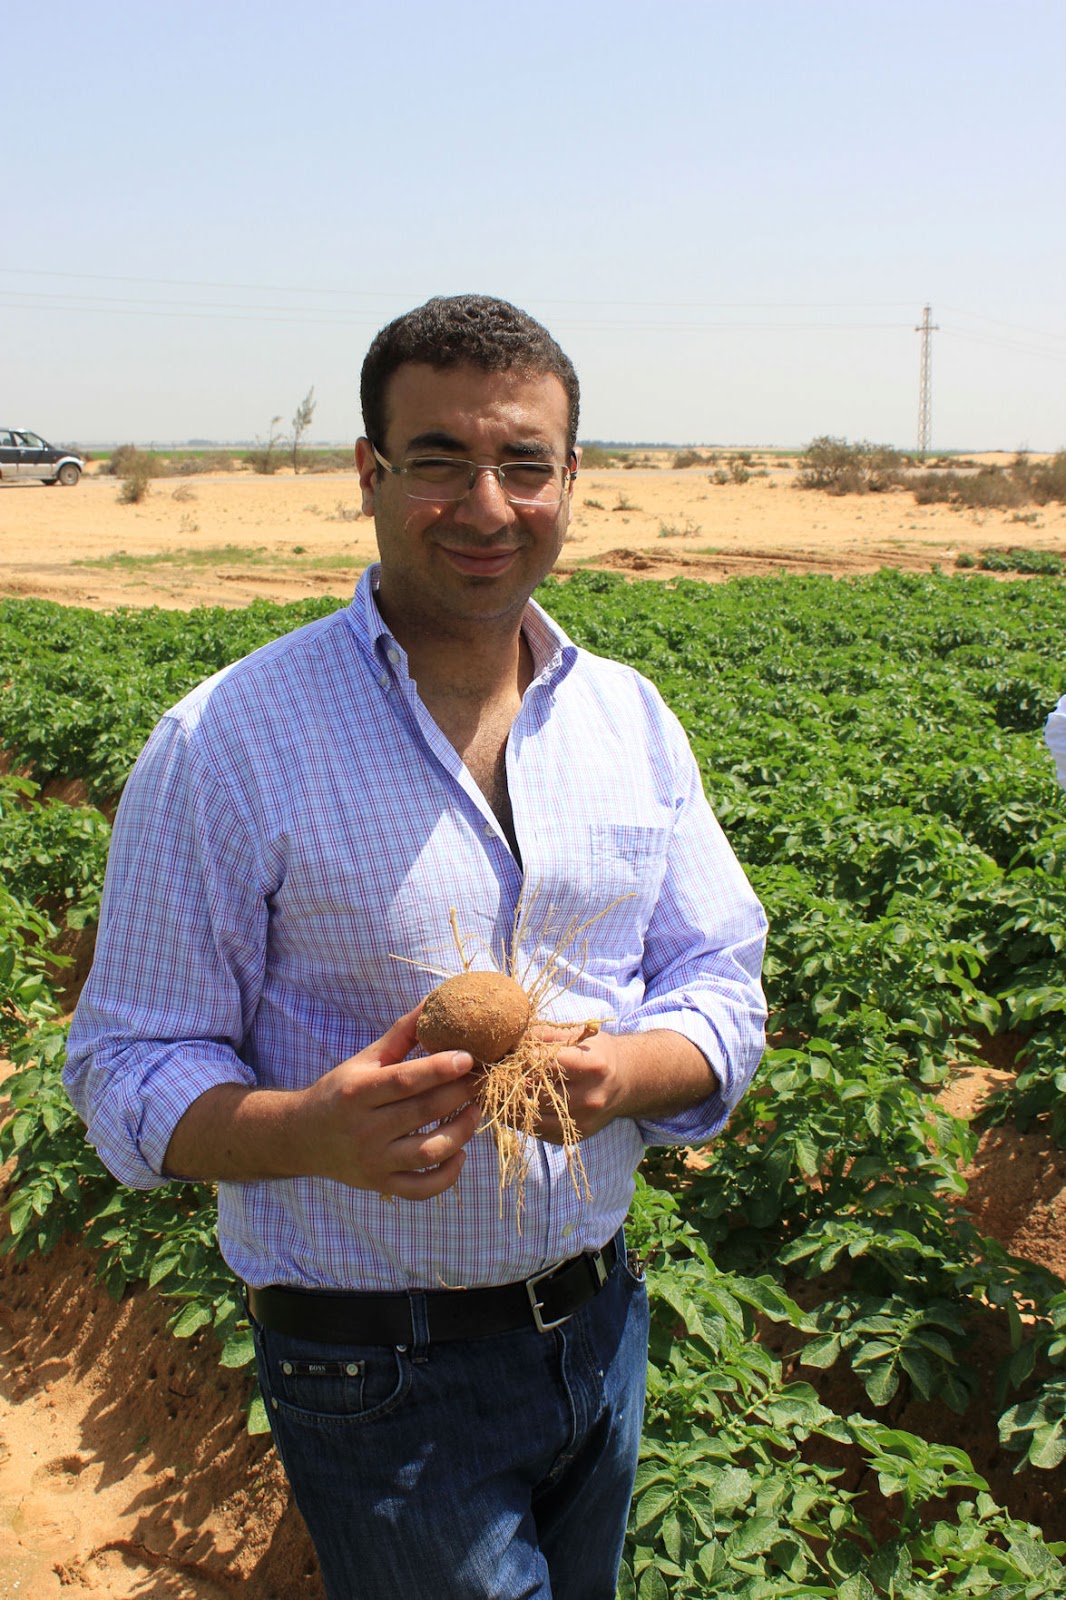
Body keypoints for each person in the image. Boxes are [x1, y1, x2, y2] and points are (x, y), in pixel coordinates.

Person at [65, 294, 768, 1599]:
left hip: (601, 1328)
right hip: (373, 1372)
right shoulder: (227, 744)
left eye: (523, 465)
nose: (486, 505)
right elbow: (121, 1066)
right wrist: (307, 1134)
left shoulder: (629, 720)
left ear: (570, 480)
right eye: (438, 460)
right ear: (369, 475)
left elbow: (721, 981)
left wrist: (632, 1074)